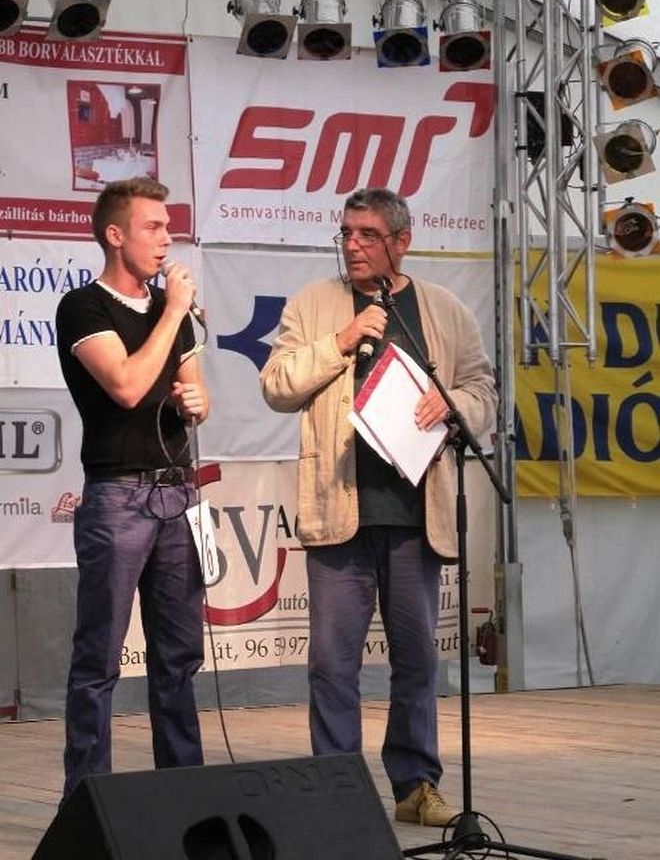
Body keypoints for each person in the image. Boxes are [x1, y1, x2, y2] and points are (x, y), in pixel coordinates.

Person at [260, 188, 497, 827]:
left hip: (416, 517)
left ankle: (416, 786)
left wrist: (455, 405)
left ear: (402, 241)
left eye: (367, 234)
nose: (353, 245)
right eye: (346, 233)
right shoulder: (314, 304)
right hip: (339, 515)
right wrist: (340, 341)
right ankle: (336, 788)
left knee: (417, 660)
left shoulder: (442, 309)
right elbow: (277, 385)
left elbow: (482, 388)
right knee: (332, 664)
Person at [56, 177, 209, 801]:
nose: (166, 238)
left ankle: (186, 794)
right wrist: (171, 312)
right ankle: (86, 798)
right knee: (100, 656)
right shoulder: (83, 307)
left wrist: (197, 401)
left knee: (179, 657)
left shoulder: (176, 313)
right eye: (153, 227)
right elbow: (124, 386)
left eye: (167, 227)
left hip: (177, 493)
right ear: (115, 235)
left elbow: (196, 394)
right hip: (119, 496)